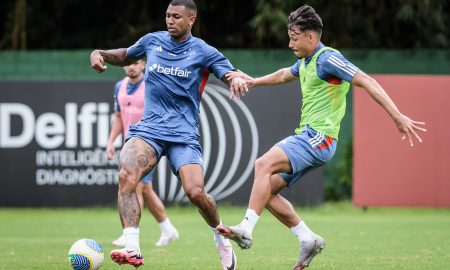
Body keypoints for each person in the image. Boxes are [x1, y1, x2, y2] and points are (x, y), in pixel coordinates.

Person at [217, 5, 427, 270]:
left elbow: (367, 80)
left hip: (320, 137)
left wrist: (397, 116)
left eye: (294, 37)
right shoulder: (305, 61)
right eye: (290, 36)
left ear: (311, 37)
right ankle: (308, 239)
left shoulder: (328, 58)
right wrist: (254, 81)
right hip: (308, 136)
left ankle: (246, 229)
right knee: (266, 191)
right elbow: (285, 74)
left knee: (262, 164)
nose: (290, 42)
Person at [90, 0, 247, 268]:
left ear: (191, 21)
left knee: (196, 193)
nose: (170, 20)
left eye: (176, 16)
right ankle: (132, 248)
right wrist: (101, 53)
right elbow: (126, 55)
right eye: (167, 15)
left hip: (183, 134)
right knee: (127, 175)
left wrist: (236, 79)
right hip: (149, 129)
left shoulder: (203, 51)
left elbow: (228, 72)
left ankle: (220, 238)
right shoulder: (152, 41)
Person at [106, 59, 179, 248]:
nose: (132, 66)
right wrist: (110, 142)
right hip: (128, 146)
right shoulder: (118, 87)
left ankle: (128, 233)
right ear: (123, 65)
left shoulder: (151, 85)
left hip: (147, 145)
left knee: (133, 186)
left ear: (144, 65)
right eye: (128, 63)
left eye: (136, 63)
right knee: (145, 189)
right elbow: (118, 118)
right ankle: (167, 228)